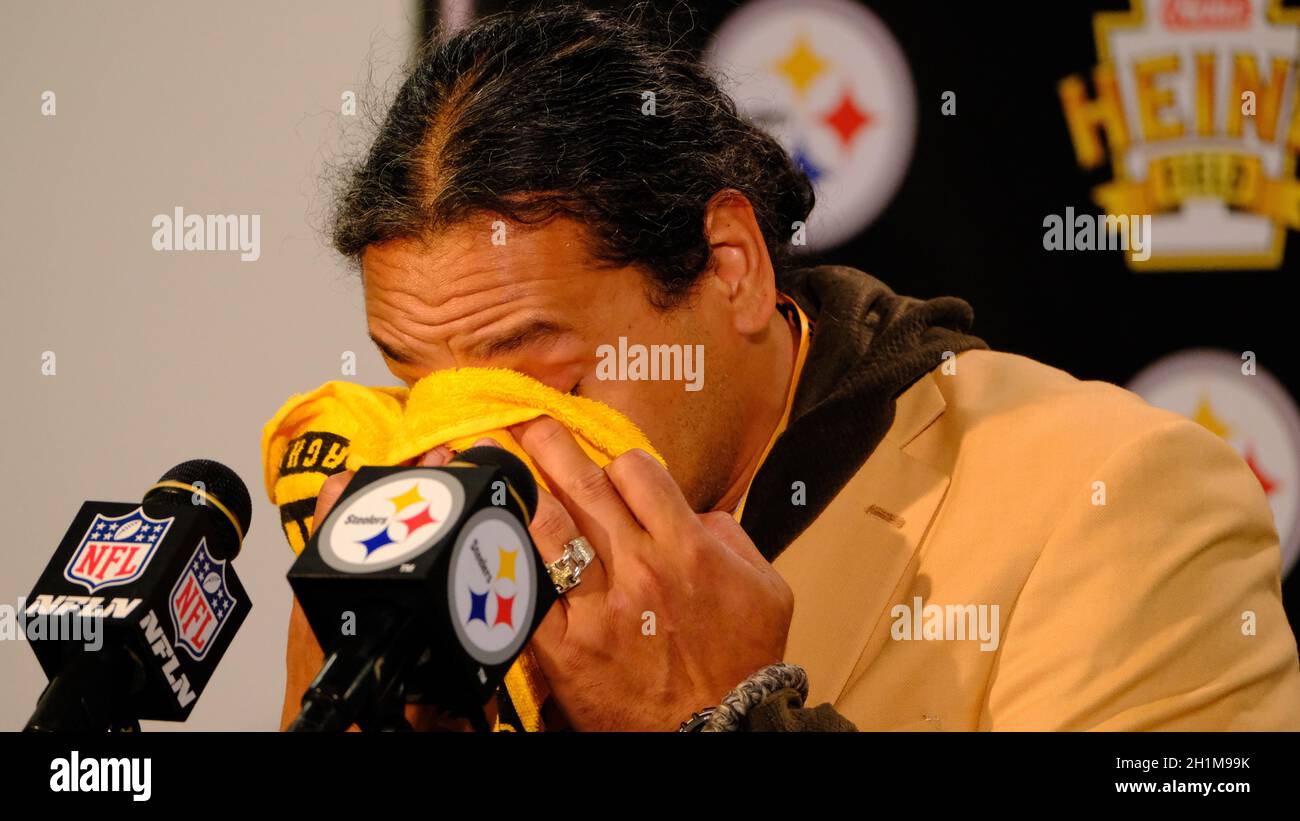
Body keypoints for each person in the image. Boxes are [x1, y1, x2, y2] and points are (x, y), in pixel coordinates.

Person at [281, 5, 1300, 731]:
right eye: (422, 390)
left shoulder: (1113, 500)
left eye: (546, 387)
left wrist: (726, 721)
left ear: (729, 267)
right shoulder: (416, 536)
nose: (475, 445)